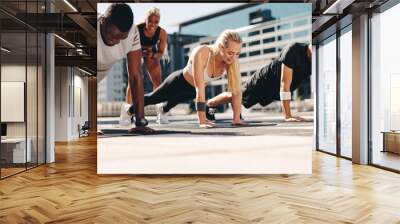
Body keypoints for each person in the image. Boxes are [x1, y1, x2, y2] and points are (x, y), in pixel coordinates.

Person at [124, 29, 244, 128]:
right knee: (153, 98)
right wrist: (202, 120)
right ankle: (128, 111)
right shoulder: (203, 52)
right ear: (221, 47)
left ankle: (162, 109)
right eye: (230, 53)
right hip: (179, 82)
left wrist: (236, 118)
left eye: (237, 53)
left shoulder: (232, 61)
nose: (233, 57)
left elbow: (236, 90)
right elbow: (200, 88)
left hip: (192, 91)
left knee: (173, 103)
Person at [206, 42, 312, 122]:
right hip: (264, 80)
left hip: (273, 90)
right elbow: (284, 83)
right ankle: (210, 104)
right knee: (240, 95)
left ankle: (236, 112)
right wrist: (288, 116)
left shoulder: (314, 61)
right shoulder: (294, 50)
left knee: (243, 100)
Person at [97, 3, 153, 132]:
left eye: (122, 37)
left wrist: (140, 122)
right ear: (103, 22)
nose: (117, 41)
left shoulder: (133, 32)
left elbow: (135, 75)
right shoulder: (89, 27)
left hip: (103, 70)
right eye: (113, 36)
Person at [121, 7, 168, 125]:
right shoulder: (136, 29)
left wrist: (154, 54)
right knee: (134, 80)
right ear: (145, 19)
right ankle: (128, 112)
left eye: (156, 22)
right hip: (135, 50)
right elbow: (128, 46)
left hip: (150, 53)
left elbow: (161, 52)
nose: (152, 24)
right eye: (150, 21)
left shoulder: (162, 33)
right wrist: (139, 52)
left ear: (159, 22)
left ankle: (160, 113)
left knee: (157, 81)